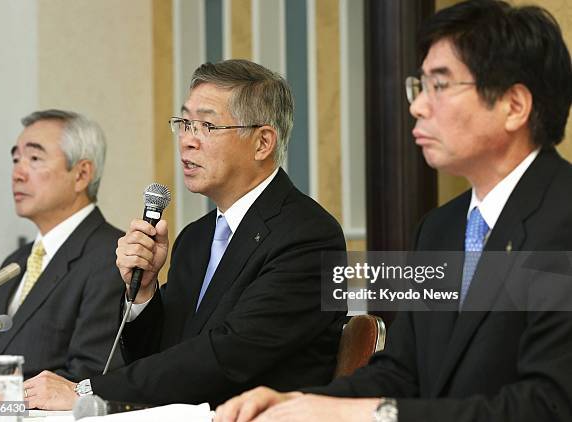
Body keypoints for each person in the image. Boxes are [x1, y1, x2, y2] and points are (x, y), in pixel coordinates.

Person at [215, 1, 572, 421]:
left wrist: (372, 415)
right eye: (418, 86)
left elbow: (547, 406)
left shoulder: (562, 218)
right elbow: (403, 373)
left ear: (514, 105)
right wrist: (298, 403)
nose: (418, 107)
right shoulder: (440, 228)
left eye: (440, 86)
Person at [23, 59, 347, 410]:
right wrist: (145, 291)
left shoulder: (309, 237)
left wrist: (86, 391)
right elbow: (162, 357)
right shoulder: (196, 237)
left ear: (262, 142)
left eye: (206, 126)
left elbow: (228, 355)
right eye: (184, 123)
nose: (187, 141)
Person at [0, 109, 125, 397]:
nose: (17, 173)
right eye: (15, 159)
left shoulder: (112, 255)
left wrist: (0, 396)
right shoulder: (16, 262)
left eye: (34, 159)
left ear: (82, 174)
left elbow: (89, 375)